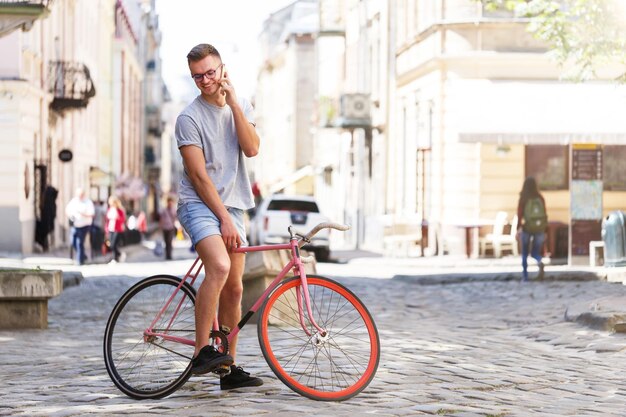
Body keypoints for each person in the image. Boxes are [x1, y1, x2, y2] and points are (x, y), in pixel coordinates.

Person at [175, 43, 262, 390]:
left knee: (235, 289)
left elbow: (252, 148)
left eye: (211, 73)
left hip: (235, 204)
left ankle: (229, 370)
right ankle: (201, 352)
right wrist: (222, 218)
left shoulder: (241, 106)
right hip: (198, 203)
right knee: (220, 268)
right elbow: (198, 177)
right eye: (198, 76)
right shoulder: (188, 118)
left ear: (223, 69)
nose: (205, 81)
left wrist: (236, 104)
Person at [517, 176, 547, 282]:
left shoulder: (523, 198)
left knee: (525, 253)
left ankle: (525, 277)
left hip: (526, 228)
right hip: (539, 228)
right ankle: (539, 261)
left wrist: (518, 227)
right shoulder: (540, 198)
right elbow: (545, 214)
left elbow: (519, 214)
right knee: (535, 252)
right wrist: (545, 229)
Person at [65, 187, 94, 265]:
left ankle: (80, 261)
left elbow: (91, 214)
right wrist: (70, 216)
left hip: (84, 225)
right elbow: (67, 210)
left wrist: (82, 214)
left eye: (81, 194)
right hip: (75, 225)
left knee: (79, 242)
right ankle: (83, 255)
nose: (79, 196)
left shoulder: (88, 202)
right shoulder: (74, 201)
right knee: (73, 242)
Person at [106, 196, 126, 263]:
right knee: (111, 245)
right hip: (110, 228)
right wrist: (106, 229)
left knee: (114, 244)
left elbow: (123, 220)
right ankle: (119, 255)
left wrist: (118, 218)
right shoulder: (110, 210)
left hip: (117, 229)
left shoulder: (120, 210)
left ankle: (114, 259)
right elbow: (107, 220)